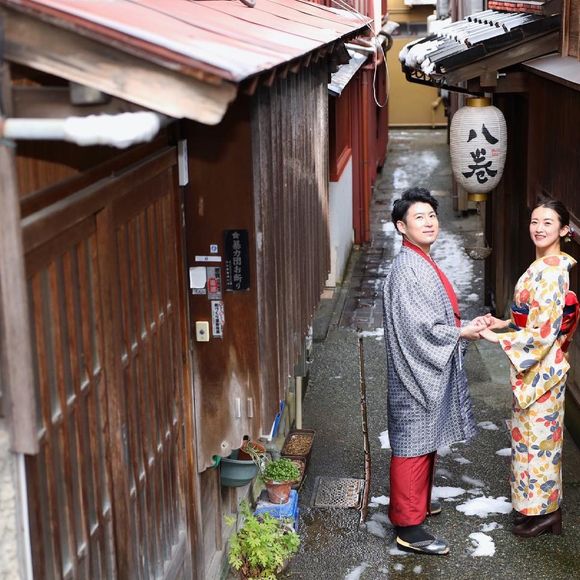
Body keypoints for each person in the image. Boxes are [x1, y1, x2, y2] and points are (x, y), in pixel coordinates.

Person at [383, 188, 488, 555]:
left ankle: (419, 504)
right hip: (414, 369)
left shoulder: (420, 259)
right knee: (412, 445)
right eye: (419, 217)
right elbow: (419, 329)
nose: (428, 222)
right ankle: (408, 527)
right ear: (401, 227)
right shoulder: (408, 269)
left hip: (424, 364)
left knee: (425, 441)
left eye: (431, 215)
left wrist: (464, 327)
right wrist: (461, 332)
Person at [480, 200, 578, 538]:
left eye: (548, 223)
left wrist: (499, 338)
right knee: (531, 443)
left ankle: (546, 513)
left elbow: (543, 333)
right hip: (538, 370)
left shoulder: (552, 272)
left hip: (543, 372)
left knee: (539, 445)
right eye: (535, 221)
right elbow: (531, 320)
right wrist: (505, 324)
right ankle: (535, 510)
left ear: (563, 230)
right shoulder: (544, 266)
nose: (539, 228)